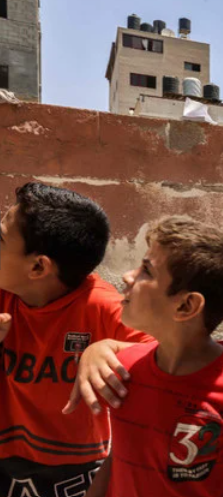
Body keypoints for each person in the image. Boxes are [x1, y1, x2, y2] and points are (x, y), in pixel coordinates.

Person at [81, 216, 223, 497]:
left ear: (186, 305)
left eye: (146, 270)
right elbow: (118, 458)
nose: (127, 276)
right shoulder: (125, 371)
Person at [0, 182, 151, 496]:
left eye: (1, 240)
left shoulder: (101, 306)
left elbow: (168, 352)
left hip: (75, 471)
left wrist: (107, 347)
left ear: (38, 266)